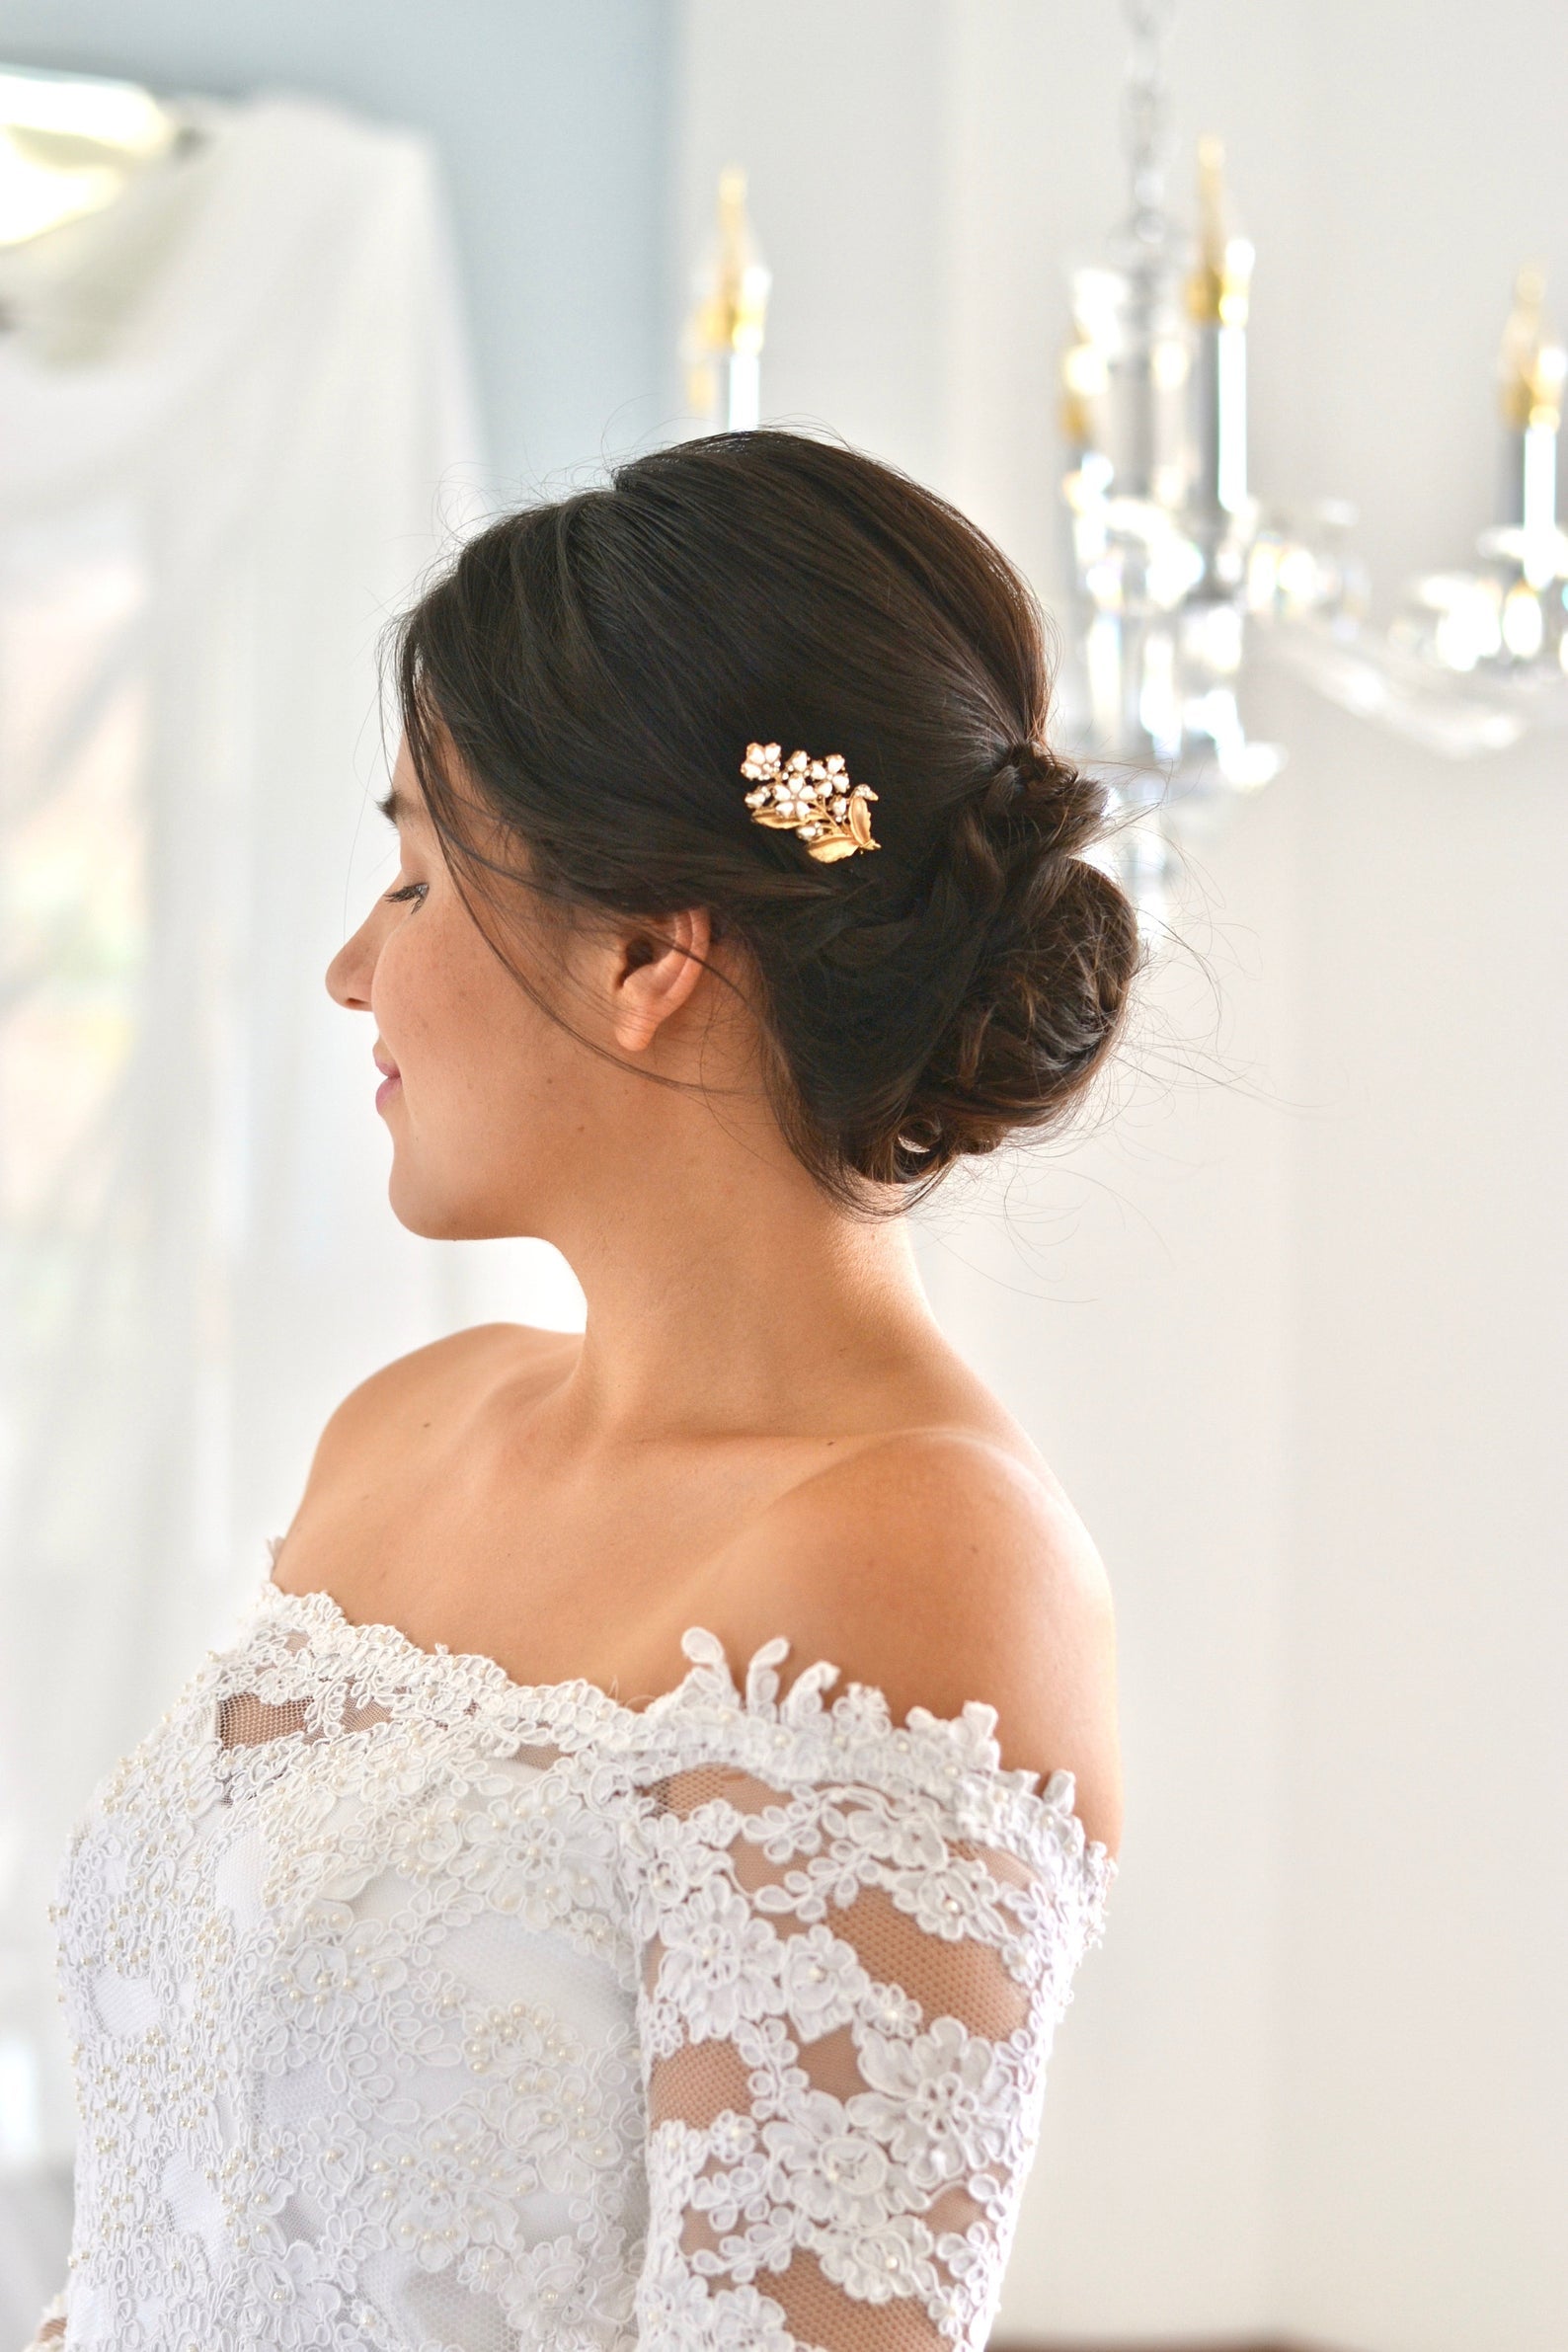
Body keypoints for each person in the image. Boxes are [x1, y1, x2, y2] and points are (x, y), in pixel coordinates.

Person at [31, 430, 1139, 2352]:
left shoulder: (920, 1559)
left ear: (645, 949)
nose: (349, 970)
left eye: (411, 879)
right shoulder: (405, 1430)